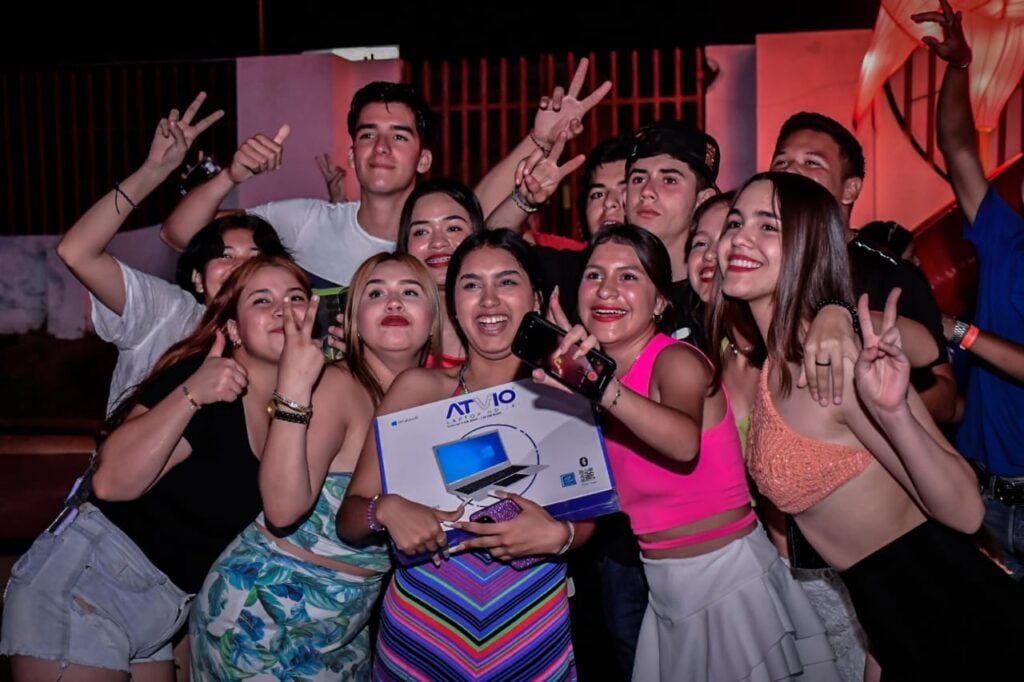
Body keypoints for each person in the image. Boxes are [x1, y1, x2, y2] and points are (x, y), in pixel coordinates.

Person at [713, 171, 1024, 679]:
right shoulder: (777, 364)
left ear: (808, 248)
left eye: (768, 226)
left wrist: (895, 412)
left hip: (960, 620)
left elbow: (966, 514)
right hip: (896, 627)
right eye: (735, 222)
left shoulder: (836, 360)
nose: (740, 238)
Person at [0, 256, 323, 680]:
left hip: (164, 610)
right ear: (231, 329)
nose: (283, 309)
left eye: (295, 298)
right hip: (90, 584)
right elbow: (111, 482)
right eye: (262, 301)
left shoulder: (294, 408)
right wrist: (192, 392)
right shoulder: (205, 380)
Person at [543, 224, 838, 681]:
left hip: (728, 577)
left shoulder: (675, 359)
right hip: (664, 586)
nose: (607, 290)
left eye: (628, 277)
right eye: (594, 275)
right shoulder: (593, 390)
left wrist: (596, 384)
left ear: (661, 302)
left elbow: (682, 441)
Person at [338, 230, 592, 680]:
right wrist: (388, 509)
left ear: (534, 297)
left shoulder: (562, 391)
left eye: (506, 282)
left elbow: (590, 510)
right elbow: (352, 516)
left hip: (530, 630)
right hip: (422, 634)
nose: (489, 300)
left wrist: (562, 536)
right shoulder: (417, 390)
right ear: (453, 307)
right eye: (472, 285)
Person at [190, 253, 442, 679]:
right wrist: (294, 385)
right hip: (264, 614)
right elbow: (283, 509)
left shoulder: (434, 398)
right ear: (354, 319)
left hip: (343, 625)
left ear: (434, 320)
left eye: (410, 292)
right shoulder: (339, 386)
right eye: (376, 293)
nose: (394, 303)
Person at [54, 94, 288, 415]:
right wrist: (152, 171)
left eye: (254, 257)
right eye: (225, 255)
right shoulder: (166, 313)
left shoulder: (280, 336)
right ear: (198, 278)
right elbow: (76, 251)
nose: (240, 268)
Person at [916, 0, 1024, 579]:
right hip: (983, 494)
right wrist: (959, 68)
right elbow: (959, 147)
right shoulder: (1008, 238)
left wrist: (959, 331)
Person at [770, 111, 957, 421]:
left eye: (812, 163)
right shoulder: (758, 263)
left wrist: (864, 405)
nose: (791, 171)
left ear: (850, 190)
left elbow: (945, 395)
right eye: (781, 162)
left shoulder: (893, 274)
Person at [160, 82, 435, 288]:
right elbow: (178, 235)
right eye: (368, 135)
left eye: (399, 137)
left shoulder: (440, 241)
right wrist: (229, 176)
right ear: (352, 156)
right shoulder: (306, 222)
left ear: (423, 160)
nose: (381, 148)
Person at [395, 178, 486, 365]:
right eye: (421, 232)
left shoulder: (506, 326)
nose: (438, 242)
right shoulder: (388, 334)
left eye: (453, 228)